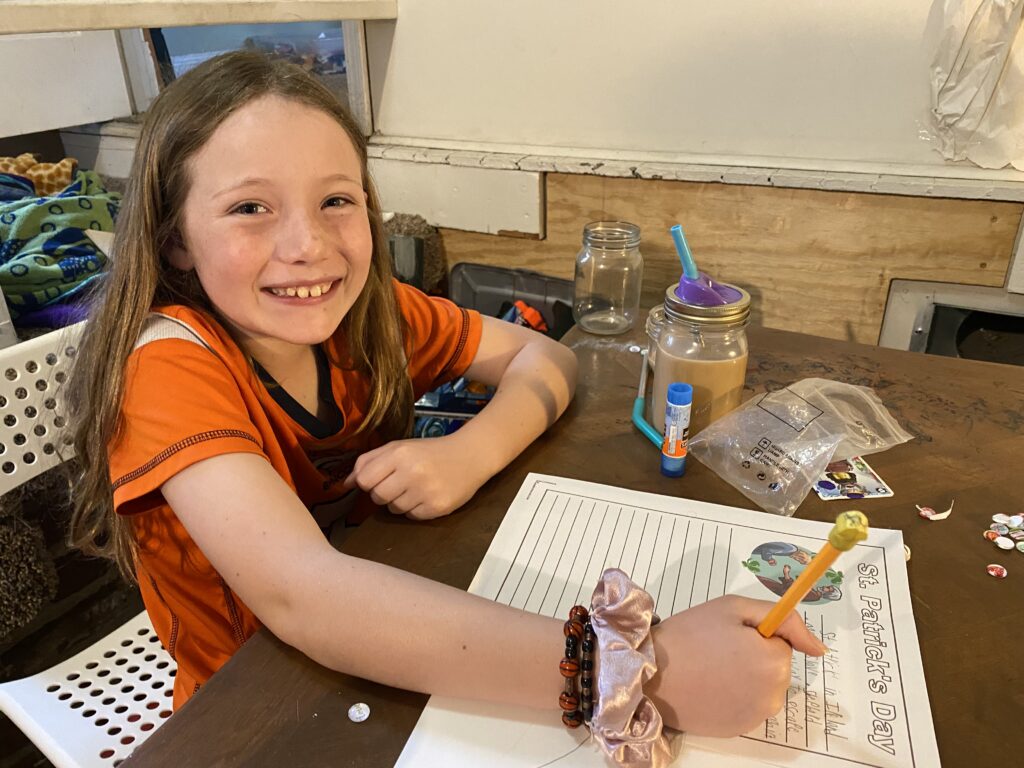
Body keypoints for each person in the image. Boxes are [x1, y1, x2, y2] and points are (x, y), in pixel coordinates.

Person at [67, 51, 825, 740]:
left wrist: (471, 450)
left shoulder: (370, 315)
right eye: (249, 208)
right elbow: (306, 599)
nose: (308, 245)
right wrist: (632, 669)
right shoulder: (165, 367)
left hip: (389, 647)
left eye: (336, 200)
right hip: (254, 704)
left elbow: (547, 357)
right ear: (174, 239)